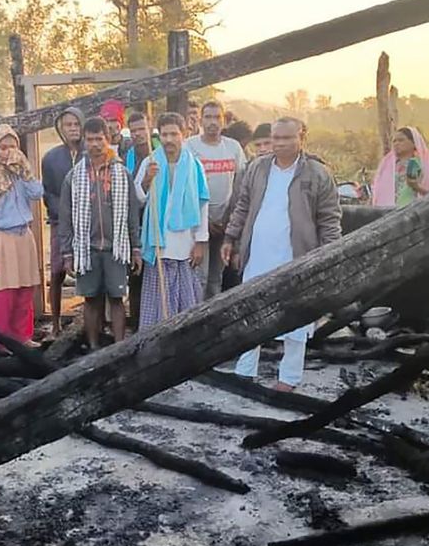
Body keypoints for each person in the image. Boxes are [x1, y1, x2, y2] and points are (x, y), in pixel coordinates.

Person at [222, 117, 342, 392]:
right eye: (276, 138)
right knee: (251, 310)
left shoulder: (317, 173)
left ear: (302, 138)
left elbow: (329, 219)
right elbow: (242, 205)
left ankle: (288, 377)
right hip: (258, 252)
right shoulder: (258, 167)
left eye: (287, 138)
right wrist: (231, 237)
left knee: (297, 313)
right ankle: (245, 369)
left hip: (297, 255)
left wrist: (332, 255)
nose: (280, 143)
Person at [59, 117, 142, 350]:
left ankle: (119, 347)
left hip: (116, 248)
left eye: (99, 139)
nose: (95, 144)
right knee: (91, 300)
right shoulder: (74, 177)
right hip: (87, 249)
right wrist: (67, 253)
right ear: (84, 141)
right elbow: (65, 217)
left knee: (117, 299)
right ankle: (94, 348)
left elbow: (131, 213)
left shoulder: (121, 173)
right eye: (90, 139)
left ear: (108, 140)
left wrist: (135, 248)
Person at [134, 112, 210, 328]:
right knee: (159, 299)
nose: (168, 139)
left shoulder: (195, 166)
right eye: (164, 134)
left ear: (183, 134)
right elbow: (138, 198)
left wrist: (200, 241)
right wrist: (147, 179)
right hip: (158, 241)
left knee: (185, 299)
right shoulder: (150, 162)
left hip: (185, 241)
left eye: (173, 134)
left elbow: (203, 204)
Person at [0, 124, 44, 347]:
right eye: (3, 147)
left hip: (24, 235)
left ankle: (23, 337)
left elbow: (37, 193)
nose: (7, 152)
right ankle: (2, 342)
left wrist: (24, 170)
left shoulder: (20, 172)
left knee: (25, 288)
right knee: (2, 294)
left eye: (12, 147)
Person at [184, 100, 247, 299]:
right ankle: (195, 323)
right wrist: (204, 222)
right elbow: (185, 188)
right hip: (199, 226)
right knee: (199, 276)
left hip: (225, 224)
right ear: (200, 120)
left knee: (215, 277)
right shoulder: (190, 146)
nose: (212, 122)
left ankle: (213, 325)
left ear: (224, 121)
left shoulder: (233, 148)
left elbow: (240, 184)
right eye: (208, 117)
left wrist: (230, 219)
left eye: (217, 117)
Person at [41, 107, 84, 336]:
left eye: (76, 124)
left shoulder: (91, 153)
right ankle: (56, 322)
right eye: (68, 125)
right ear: (61, 128)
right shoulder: (51, 158)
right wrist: (63, 213)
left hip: (89, 223)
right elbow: (47, 192)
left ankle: (93, 320)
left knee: (90, 271)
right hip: (60, 221)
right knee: (57, 272)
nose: (73, 129)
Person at [124, 110, 156, 325]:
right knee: (136, 276)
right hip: (134, 222)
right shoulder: (129, 154)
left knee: (154, 275)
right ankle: (137, 324)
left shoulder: (159, 151)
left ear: (149, 127)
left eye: (141, 129)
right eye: (133, 130)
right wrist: (144, 182)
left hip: (155, 221)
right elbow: (130, 191)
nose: (138, 134)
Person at [371, 126, 429, 207]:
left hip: (413, 212)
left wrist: (417, 187)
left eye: (401, 140)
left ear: (414, 143)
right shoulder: (386, 166)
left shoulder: (424, 166)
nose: (396, 144)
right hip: (387, 212)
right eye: (394, 141)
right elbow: (377, 191)